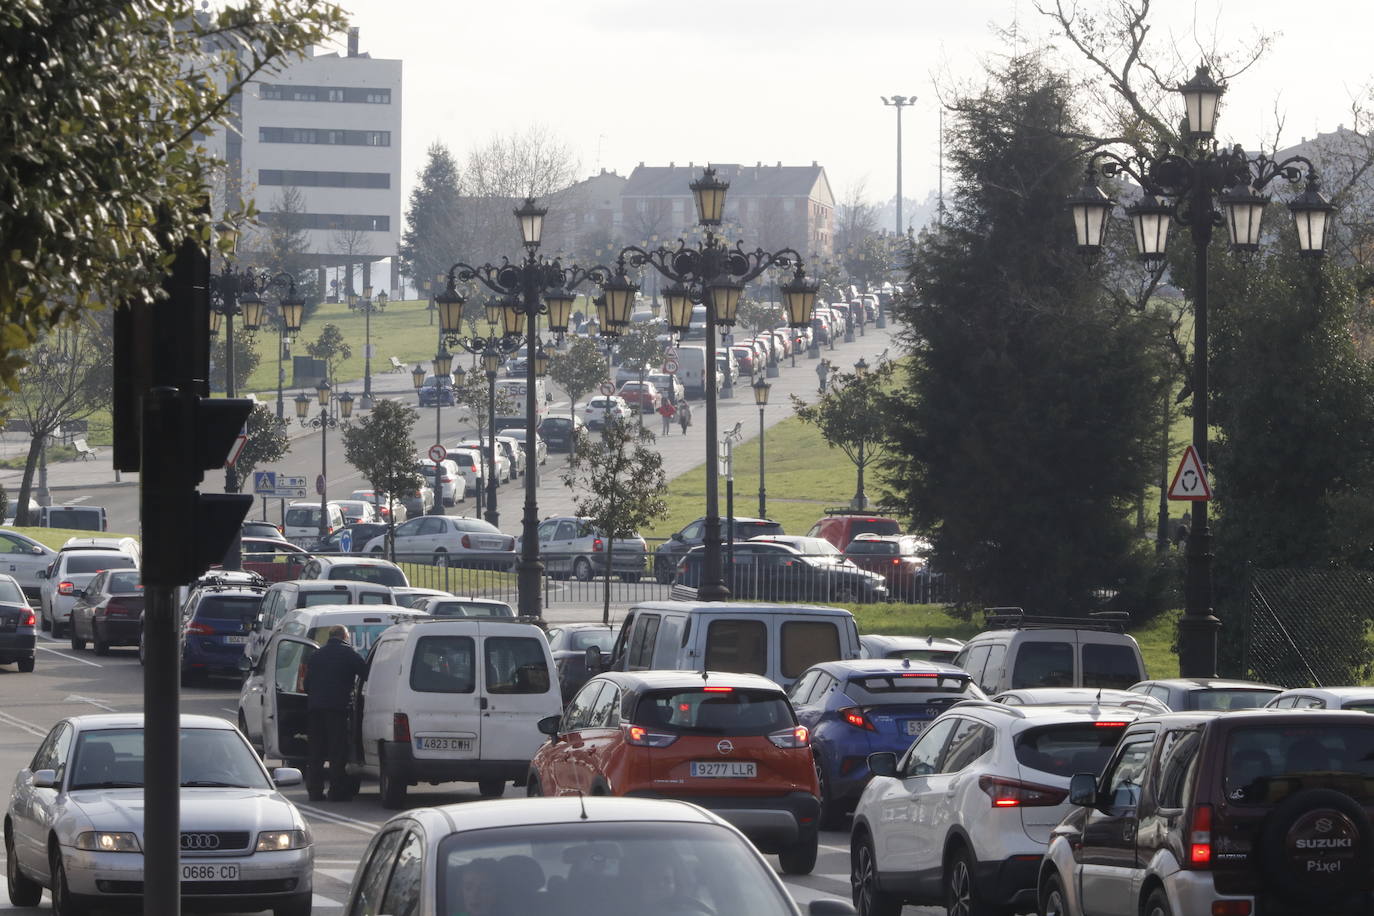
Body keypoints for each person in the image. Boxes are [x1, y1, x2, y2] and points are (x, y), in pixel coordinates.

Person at [303, 625, 367, 801]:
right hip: (337, 710)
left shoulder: (316, 655)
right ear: (344, 636)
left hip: (315, 709)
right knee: (336, 752)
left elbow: (306, 684)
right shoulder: (349, 654)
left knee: (315, 752)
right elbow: (366, 673)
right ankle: (336, 791)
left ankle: (314, 791)